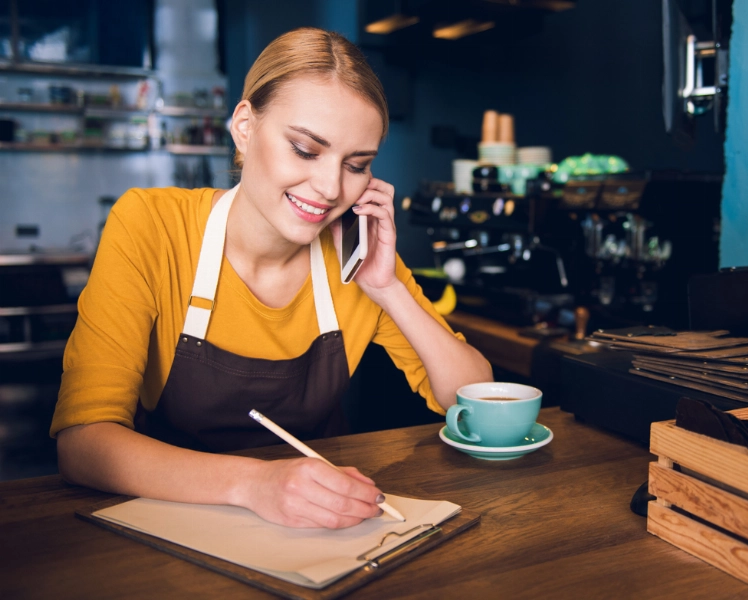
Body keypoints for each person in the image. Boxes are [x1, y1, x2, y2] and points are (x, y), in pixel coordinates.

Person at [51, 28, 492, 529]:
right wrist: (254, 485)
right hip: (169, 524)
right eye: (305, 150)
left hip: (316, 529)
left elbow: (475, 404)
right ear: (244, 126)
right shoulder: (151, 227)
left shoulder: (358, 259)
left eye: (356, 165)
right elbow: (83, 445)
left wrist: (388, 288)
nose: (330, 189)